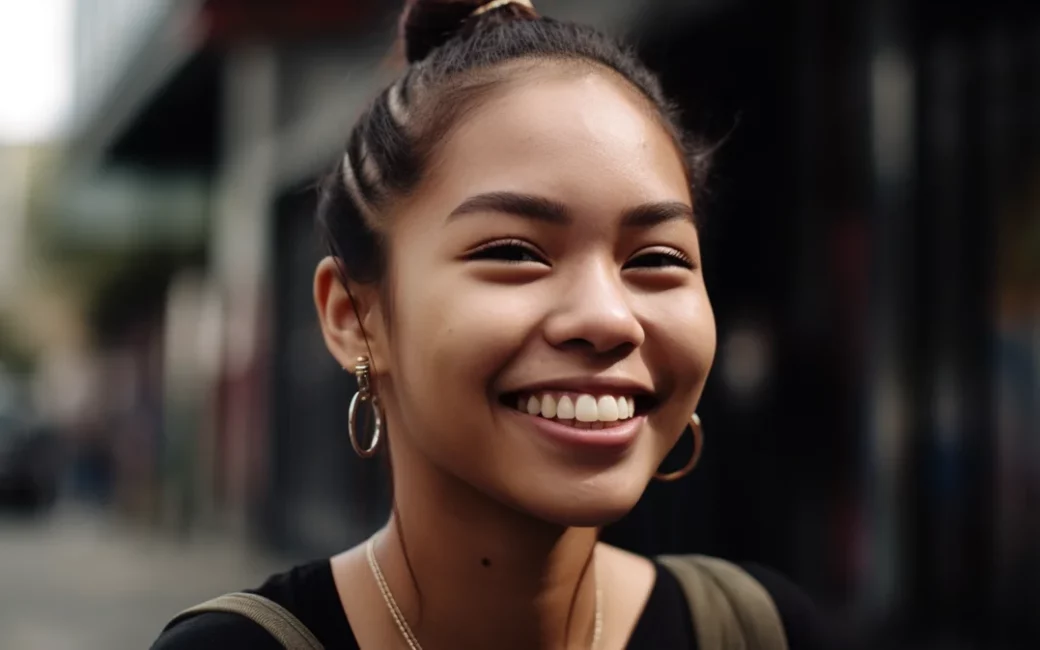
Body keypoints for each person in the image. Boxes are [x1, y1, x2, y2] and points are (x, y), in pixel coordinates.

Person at [153, 0, 845, 648]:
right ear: (353, 315)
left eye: (657, 259)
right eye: (514, 252)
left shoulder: (761, 631)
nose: (608, 319)